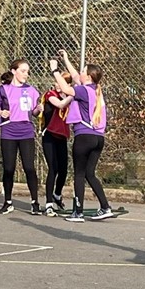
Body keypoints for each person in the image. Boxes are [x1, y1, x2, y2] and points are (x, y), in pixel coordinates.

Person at [51, 49, 114, 221]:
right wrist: (65, 58)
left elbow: (65, 87)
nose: (80, 73)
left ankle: (77, 212)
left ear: (89, 76)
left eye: (83, 70)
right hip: (98, 138)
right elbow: (75, 76)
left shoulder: (83, 91)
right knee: (89, 173)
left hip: (84, 136)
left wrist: (55, 70)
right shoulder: (95, 90)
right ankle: (105, 207)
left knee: (79, 174)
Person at [0, 58, 43, 214]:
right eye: (23, 71)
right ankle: (8, 202)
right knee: (9, 168)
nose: (26, 74)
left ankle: (35, 203)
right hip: (9, 131)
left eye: (27, 71)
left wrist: (39, 109)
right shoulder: (3, 90)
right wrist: (0, 112)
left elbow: (33, 112)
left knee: (29, 167)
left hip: (26, 131)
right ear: (14, 71)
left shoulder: (31, 90)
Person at [41, 64, 74, 216]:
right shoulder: (50, 94)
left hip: (62, 136)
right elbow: (60, 104)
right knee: (52, 169)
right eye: (57, 81)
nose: (58, 85)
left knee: (63, 170)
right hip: (50, 135)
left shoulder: (69, 97)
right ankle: (48, 203)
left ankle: (57, 195)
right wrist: (72, 96)